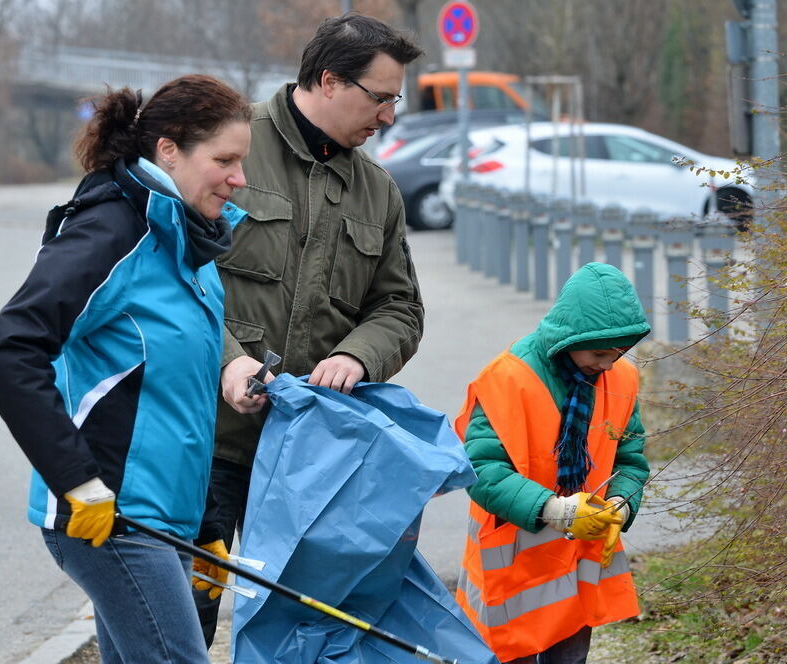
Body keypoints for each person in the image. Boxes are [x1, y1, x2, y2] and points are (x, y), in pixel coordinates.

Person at [0, 75, 252, 664]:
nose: (240, 179)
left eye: (242, 161)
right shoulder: (111, 229)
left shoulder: (190, 243)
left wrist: (205, 521)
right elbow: (10, 352)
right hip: (112, 519)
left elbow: (181, 398)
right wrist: (75, 480)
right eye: (225, 160)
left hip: (165, 520)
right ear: (169, 150)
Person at [192, 13, 425, 646]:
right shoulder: (227, 150)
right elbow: (170, 279)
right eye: (379, 98)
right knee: (187, 615)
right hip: (205, 446)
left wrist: (358, 356)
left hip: (306, 459)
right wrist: (227, 360)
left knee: (301, 629)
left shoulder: (378, 192)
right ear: (328, 81)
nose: (389, 117)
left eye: (395, 100)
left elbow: (400, 308)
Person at [454, 262, 652, 664]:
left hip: (575, 562)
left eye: (619, 353)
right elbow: (481, 471)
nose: (609, 365)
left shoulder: (621, 379)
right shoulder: (506, 379)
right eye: (600, 353)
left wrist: (622, 502)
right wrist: (554, 510)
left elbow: (630, 460)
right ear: (571, 340)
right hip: (513, 571)